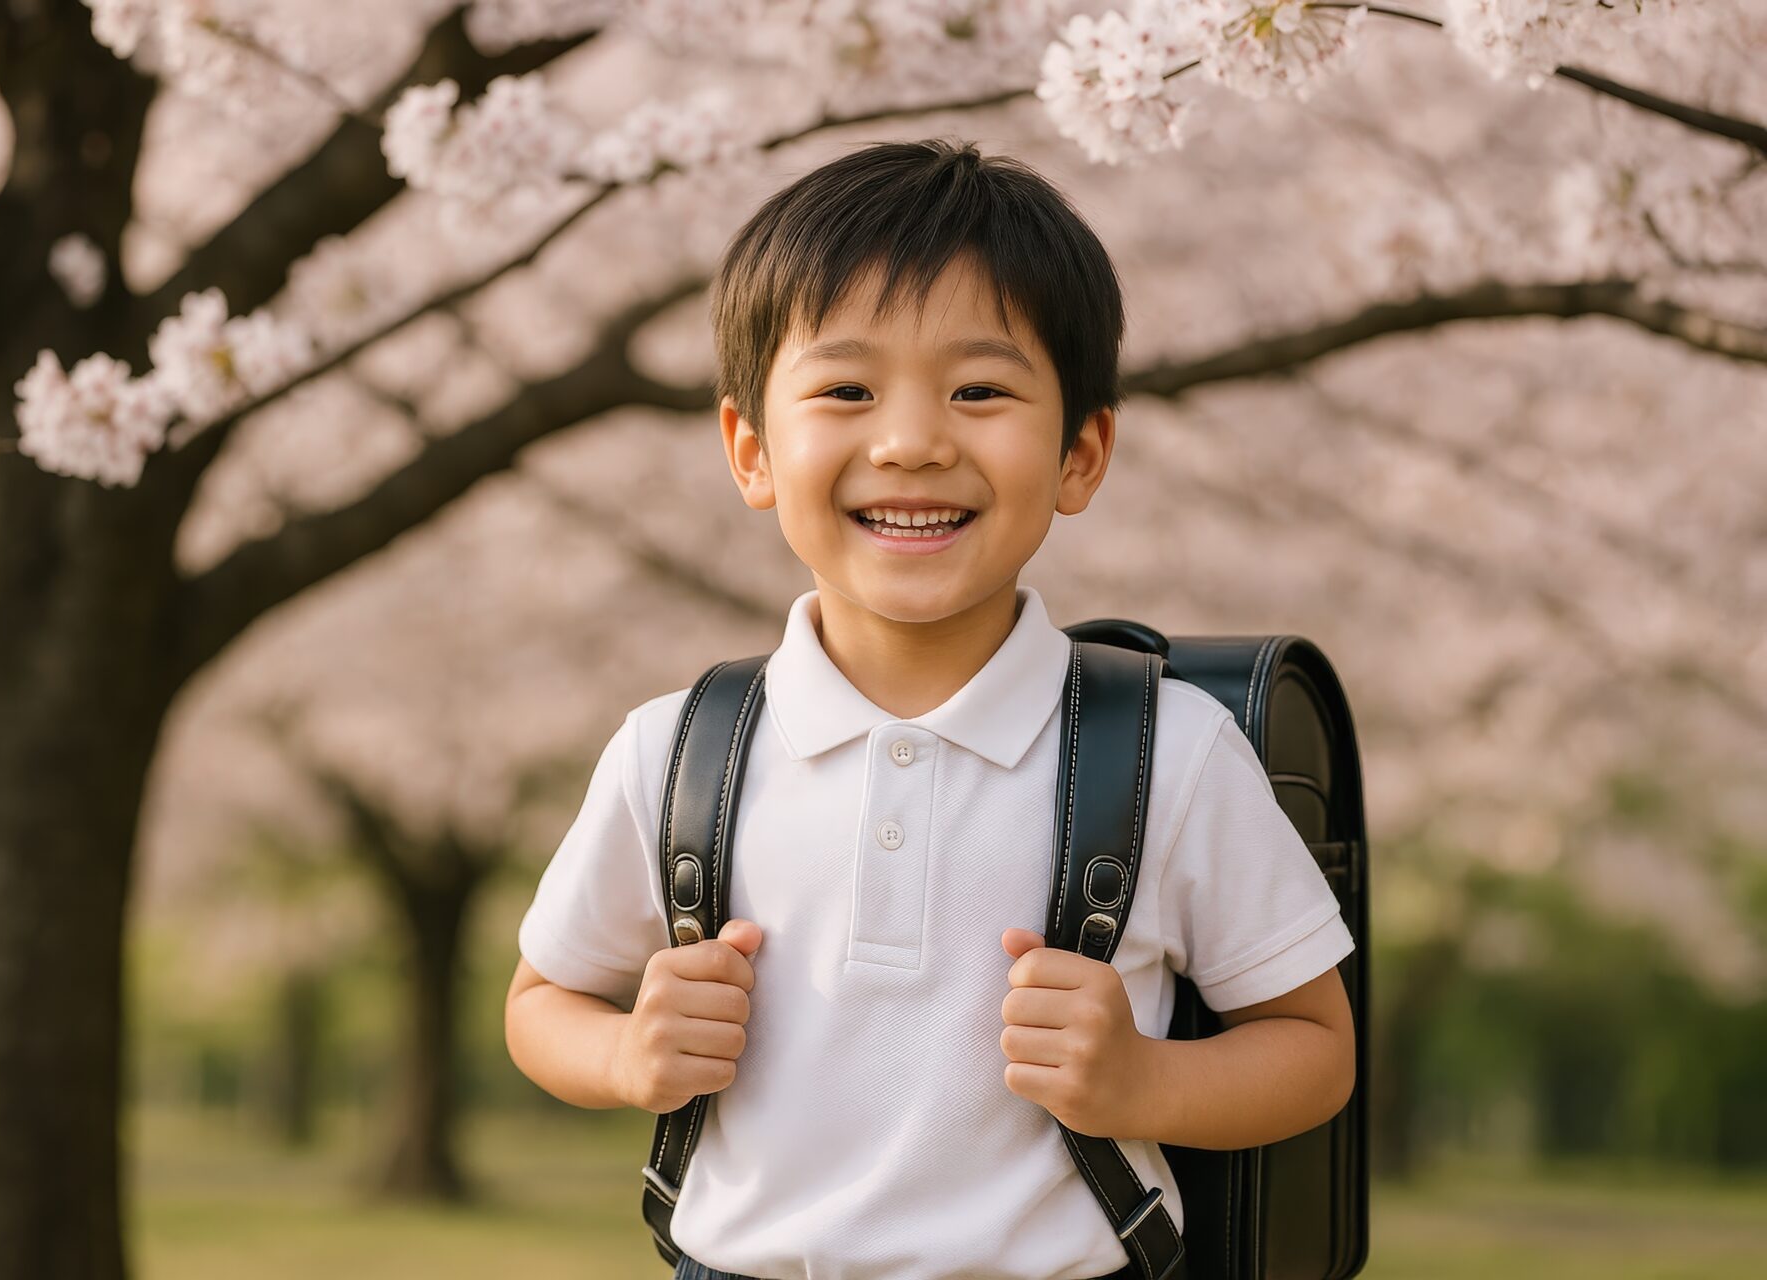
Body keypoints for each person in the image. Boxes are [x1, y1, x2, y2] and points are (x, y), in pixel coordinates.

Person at [503, 137, 1357, 1280]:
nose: (912, 441)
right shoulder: (680, 750)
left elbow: (1314, 1046)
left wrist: (1143, 1081)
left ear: (1081, 452)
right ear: (750, 448)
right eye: (847, 388)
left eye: (982, 389)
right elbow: (540, 999)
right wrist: (626, 1054)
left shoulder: (1169, 753)